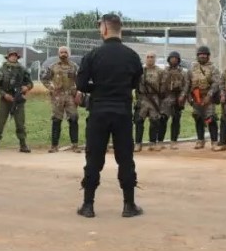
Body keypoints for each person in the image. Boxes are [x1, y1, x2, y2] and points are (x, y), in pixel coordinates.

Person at [76, 14, 143, 218]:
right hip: (122, 111)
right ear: (119, 29)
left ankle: (88, 205)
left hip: (98, 112)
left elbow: (80, 85)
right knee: (125, 158)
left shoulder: (93, 55)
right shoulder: (131, 55)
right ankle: (128, 205)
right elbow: (136, 83)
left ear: (104, 29)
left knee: (94, 157)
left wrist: (98, 88)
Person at [0, 49, 33, 153]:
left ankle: (23, 144)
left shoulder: (22, 70)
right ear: (8, 57)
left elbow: (30, 83)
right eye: (11, 56)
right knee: (0, 122)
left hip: (18, 99)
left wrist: (26, 88)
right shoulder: (2, 69)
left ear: (17, 58)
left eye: (15, 56)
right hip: (5, 99)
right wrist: (4, 94)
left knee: (20, 123)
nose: (13, 57)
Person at [41, 46, 81, 153]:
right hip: (57, 97)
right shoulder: (53, 66)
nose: (63, 54)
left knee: (73, 118)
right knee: (56, 119)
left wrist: (78, 92)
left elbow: (80, 80)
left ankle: (75, 145)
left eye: (65, 52)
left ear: (69, 54)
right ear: (58, 54)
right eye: (61, 52)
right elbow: (44, 78)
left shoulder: (74, 67)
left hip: (70, 96)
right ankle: (54, 146)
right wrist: (51, 87)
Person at [188, 46, 220, 149]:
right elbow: (187, 83)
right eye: (200, 54)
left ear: (208, 56)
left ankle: (214, 142)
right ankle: (200, 140)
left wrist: (209, 95)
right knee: (198, 118)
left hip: (208, 98)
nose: (202, 56)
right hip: (196, 97)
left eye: (204, 54)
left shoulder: (213, 68)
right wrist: (189, 97)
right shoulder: (192, 68)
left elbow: (216, 83)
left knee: (211, 119)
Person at [134, 52, 164, 152]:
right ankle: (138, 143)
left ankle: (152, 143)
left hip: (154, 99)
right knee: (138, 121)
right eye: (148, 57)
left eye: (152, 57)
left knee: (154, 121)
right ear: (145, 58)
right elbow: (135, 83)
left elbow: (163, 86)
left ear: (155, 59)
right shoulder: (140, 71)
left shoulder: (160, 71)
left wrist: (161, 100)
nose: (150, 59)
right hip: (142, 98)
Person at [158, 51, 187, 149]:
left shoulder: (183, 72)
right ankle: (160, 141)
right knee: (162, 120)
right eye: (172, 58)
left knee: (176, 120)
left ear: (178, 60)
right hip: (166, 99)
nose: (173, 59)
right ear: (169, 60)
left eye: (175, 58)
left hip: (177, 98)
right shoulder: (164, 71)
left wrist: (182, 96)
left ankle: (174, 141)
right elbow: (160, 85)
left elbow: (186, 86)